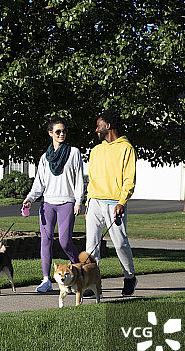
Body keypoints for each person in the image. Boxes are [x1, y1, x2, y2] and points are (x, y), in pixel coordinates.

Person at [22, 115, 86, 293]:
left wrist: (79, 201)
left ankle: (79, 271)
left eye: (64, 131)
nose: (61, 134)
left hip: (67, 202)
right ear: (50, 133)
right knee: (46, 239)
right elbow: (39, 183)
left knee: (65, 242)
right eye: (58, 131)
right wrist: (29, 199)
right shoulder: (45, 157)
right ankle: (46, 280)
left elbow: (79, 179)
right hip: (47, 203)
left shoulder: (74, 153)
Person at [85, 107, 137, 296]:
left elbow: (129, 179)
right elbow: (91, 178)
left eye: (98, 126)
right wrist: (88, 201)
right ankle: (92, 282)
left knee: (120, 243)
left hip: (115, 203)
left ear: (107, 126)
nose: (96, 130)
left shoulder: (126, 148)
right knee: (91, 245)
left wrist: (122, 201)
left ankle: (130, 277)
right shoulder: (96, 150)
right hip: (94, 203)